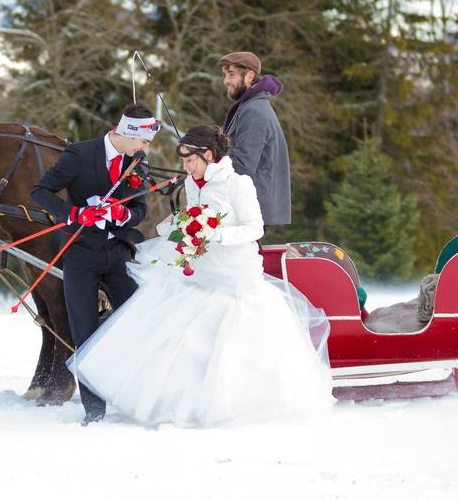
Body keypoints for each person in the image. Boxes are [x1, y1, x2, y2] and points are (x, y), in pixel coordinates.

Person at [72, 125, 334, 427]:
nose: (185, 166)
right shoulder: (194, 183)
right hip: (201, 271)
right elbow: (194, 217)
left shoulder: (239, 184)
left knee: (231, 342)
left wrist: (216, 234)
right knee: (185, 337)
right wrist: (181, 226)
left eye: (189, 159)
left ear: (208, 155)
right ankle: (180, 403)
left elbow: (254, 228)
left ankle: (235, 405)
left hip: (234, 276)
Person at [31, 103, 161, 424]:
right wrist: (73, 214)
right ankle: (94, 409)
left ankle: (141, 394)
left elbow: (140, 208)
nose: (145, 149)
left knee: (139, 320)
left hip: (118, 254)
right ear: (129, 133)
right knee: (84, 332)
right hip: (81, 256)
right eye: (144, 142)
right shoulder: (79, 154)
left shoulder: (136, 161)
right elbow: (40, 192)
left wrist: (123, 214)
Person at [219, 51, 292, 226]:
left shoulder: (254, 111)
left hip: (249, 211)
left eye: (231, 74)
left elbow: (243, 166)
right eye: (225, 75)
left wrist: (210, 165)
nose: (226, 81)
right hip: (248, 208)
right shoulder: (251, 106)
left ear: (249, 76)